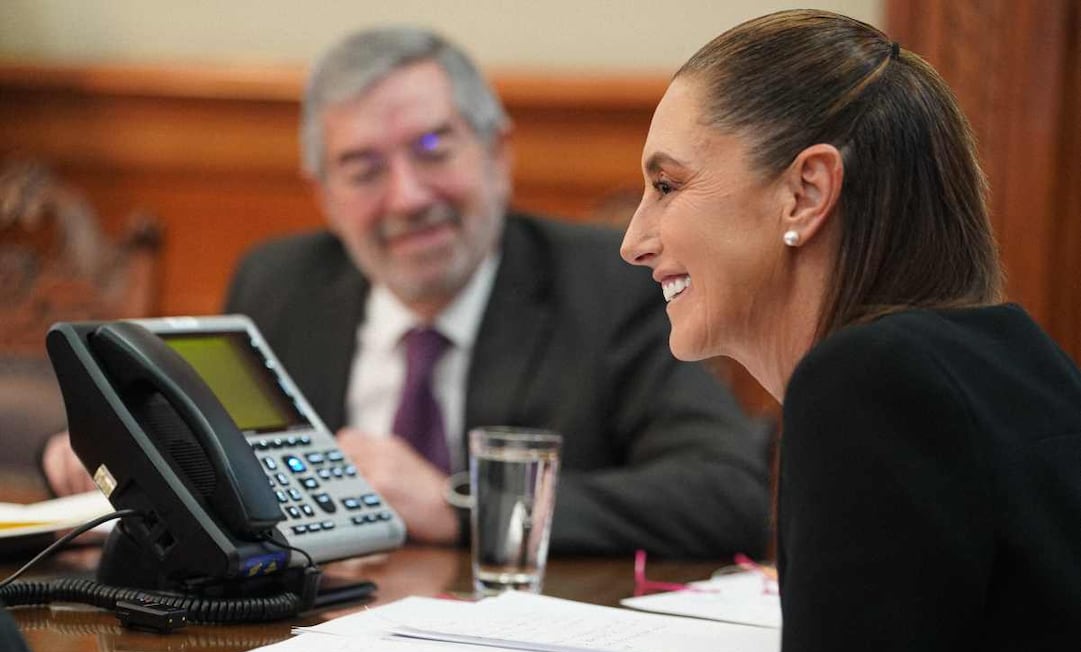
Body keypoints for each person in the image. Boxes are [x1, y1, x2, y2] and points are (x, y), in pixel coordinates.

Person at [41, 27, 773, 559]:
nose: (406, 198)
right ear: (324, 195)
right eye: (362, 169)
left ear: (497, 154)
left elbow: (724, 493)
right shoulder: (278, 282)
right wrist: (123, 449)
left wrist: (461, 506)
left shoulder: (607, 285)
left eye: (432, 150)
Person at [620, 8, 1081, 652]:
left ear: (806, 194)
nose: (632, 242)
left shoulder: (869, 382)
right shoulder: (1008, 355)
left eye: (666, 185)